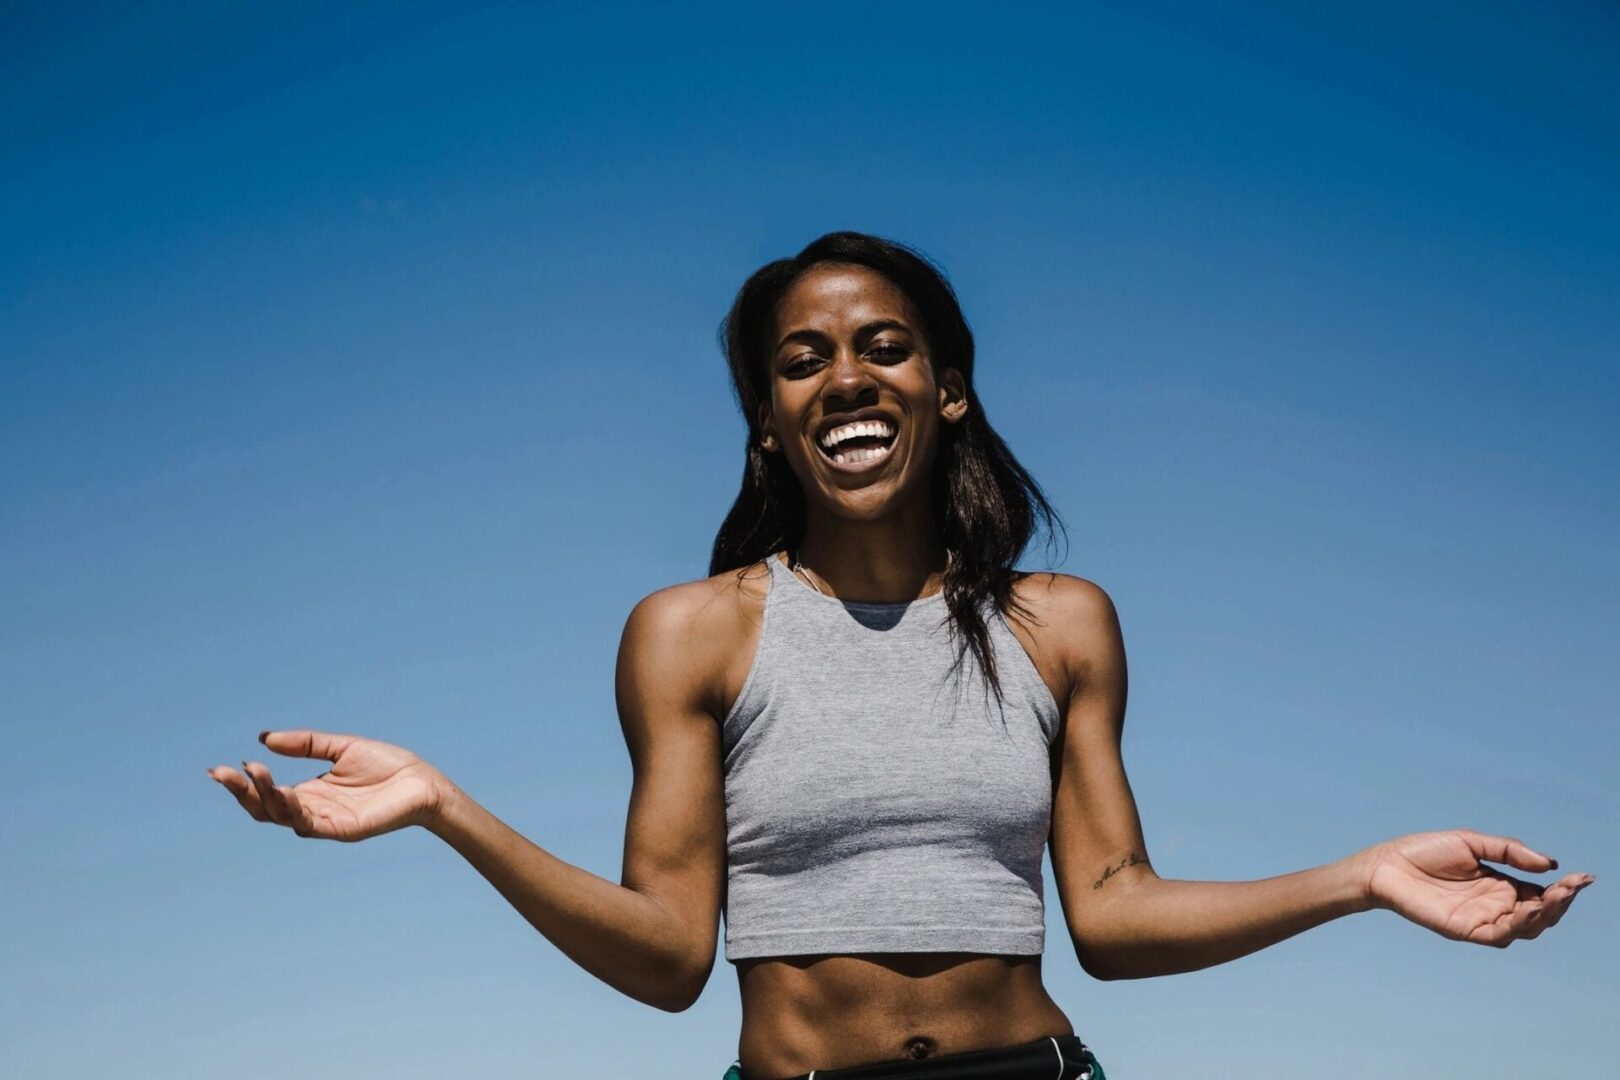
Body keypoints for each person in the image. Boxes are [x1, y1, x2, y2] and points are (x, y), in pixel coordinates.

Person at [207, 231, 1594, 1080]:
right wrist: (447, 809)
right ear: (767, 417)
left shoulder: (1063, 625)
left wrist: (1359, 878)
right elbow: (669, 956)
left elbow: (1108, 916)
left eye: (885, 347)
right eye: (802, 360)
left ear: (948, 385)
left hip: (1037, 1069)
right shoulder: (690, 634)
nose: (848, 378)